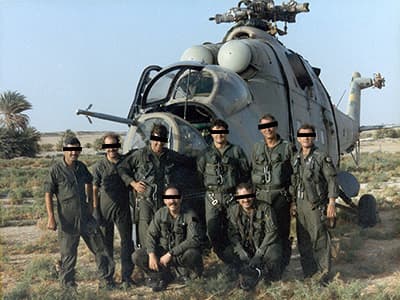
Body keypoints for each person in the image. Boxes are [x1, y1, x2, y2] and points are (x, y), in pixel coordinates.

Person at [44, 137, 114, 289]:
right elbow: (48, 194)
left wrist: (91, 203)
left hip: (86, 218)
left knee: (101, 249)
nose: (74, 153)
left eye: (77, 150)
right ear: (65, 150)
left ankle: (106, 282)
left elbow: (90, 182)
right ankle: (68, 288)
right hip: (67, 220)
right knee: (68, 255)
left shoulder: (81, 167)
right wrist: (51, 217)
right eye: (71, 149)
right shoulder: (55, 170)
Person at [118, 123, 194, 247]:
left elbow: (189, 162)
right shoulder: (139, 155)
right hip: (146, 201)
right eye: (155, 142)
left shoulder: (170, 155)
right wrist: (133, 184)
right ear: (151, 139)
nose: (158, 145)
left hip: (164, 202)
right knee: (146, 233)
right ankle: (147, 261)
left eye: (161, 142)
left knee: (165, 231)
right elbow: (122, 168)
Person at [197, 119, 250, 262]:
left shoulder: (236, 151)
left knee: (236, 228)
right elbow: (199, 175)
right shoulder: (205, 154)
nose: (219, 135)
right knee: (213, 230)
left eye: (222, 132)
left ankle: (240, 260)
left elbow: (245, 174)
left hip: (231, 196)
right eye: (216, 132)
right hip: (212, 197)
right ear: (212, 134)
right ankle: (226, 261)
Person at [132, 186, 203, 292]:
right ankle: (159, 276)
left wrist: (171, 253)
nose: (172, 201)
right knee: (137, 255)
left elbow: (194, 239)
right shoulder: (160, 213)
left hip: (179, 255)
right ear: (164, 200)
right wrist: (151, 254)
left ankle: (189, 275)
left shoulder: (190, 215)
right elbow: (150, 235)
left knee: (193, 254)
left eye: (175, 197)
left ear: (181, 198)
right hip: (163, 257)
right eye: (168, 198)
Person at [291, 124, 338, 283]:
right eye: (303, 135)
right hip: (300, 204)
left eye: (309, 135)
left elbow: (331, 180)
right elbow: (295, 182)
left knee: (320, 239)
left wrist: (331, 203)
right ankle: (309, 274)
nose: (306, 138)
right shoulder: (296, 158)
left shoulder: (321, 157)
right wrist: (293, 203)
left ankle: (323, 275)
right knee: (303, 240)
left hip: (316, 205)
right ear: (298, 138)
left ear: (314, 137)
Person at [251, 114, 294, 270]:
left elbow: (294, 175)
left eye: (270, 125)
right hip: (261, 195)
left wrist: (293, 200)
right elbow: (253, 170)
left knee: (281, 230)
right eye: (263, 127)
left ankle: (281, 265)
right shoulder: (257, 148)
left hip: (280, 195)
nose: (267, 129)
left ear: (275, 127)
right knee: (262, 229)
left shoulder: (287, 147)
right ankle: (264, 262)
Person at [92, 133, 135, 288]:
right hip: (104, 211)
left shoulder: (126, 163)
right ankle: (106, 279)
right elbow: (94, 189)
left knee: (127, 243)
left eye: (114, 145)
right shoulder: (99, 166)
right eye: (108, 146)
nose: (111, 149)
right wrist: (95, 209)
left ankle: (127, 278)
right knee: (105, 245)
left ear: (118, 145)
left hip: (123, 209)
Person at [224, 182, 282, 290]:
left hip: (263, 247)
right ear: (237, 198)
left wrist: (259, 254)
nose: (246, 200)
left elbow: (272, 232)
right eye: (242, 197)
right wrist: (240, 251)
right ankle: (241, 276)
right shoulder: (233, 211)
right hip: (246, 249)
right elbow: (233, 234)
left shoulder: (265, 208)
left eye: (248, 196)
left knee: (274, 253)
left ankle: (270, 279)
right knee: (228, 252)